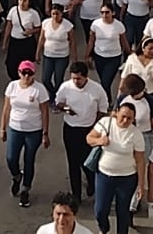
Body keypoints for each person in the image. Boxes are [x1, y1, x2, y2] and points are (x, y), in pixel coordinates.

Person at [87, 102, 147, 234]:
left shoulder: (136, 134)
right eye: (123, 116)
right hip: (104, 176)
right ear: (117, 113)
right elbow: (89, 138)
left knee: (123, 211)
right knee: (100, 210)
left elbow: (140, 161)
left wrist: (141, 185)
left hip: (126, 178)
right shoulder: (105, 122)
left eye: (129, 118)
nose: (125, 121)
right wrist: (99, 141)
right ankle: (104, 228)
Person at [54, 61, 108, 205]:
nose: (76, 81)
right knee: (73, 162)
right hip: (70, 128)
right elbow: (58, 102)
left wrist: (96, 127)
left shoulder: (96, 89)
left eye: (79, 78)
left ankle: (91, 182)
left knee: (87, 162)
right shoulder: (65, 87)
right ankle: (76, 195)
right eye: (74, 78)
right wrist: (65, 108)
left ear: (86, 77)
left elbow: (103, 110)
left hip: (89, 130)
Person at [1, 60, 52, 209]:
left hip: (33, 130)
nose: (26, 76)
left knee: (29, 160)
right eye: (24, 73)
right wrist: (2, 128)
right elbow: (6, 108)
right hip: (15, 128)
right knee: (11, 158)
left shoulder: (39, 90)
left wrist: (45, 133)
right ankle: (17, 176)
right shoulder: (12, 87)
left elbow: (44, 111)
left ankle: (25, 189)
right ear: (19, 73)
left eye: (29, 73)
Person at [37, 3, 75, 93]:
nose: (55, 16)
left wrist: (74, 58)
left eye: (57, 14)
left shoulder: (68, 25)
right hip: (48, 55)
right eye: (53, 14)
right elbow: (41, 39)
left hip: (62, 56)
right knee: (45, 79)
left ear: (62, 13)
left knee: (58, 79)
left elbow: (72, 42)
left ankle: (57, 96)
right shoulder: (45, 23)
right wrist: (37, 53)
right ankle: (53, 94)